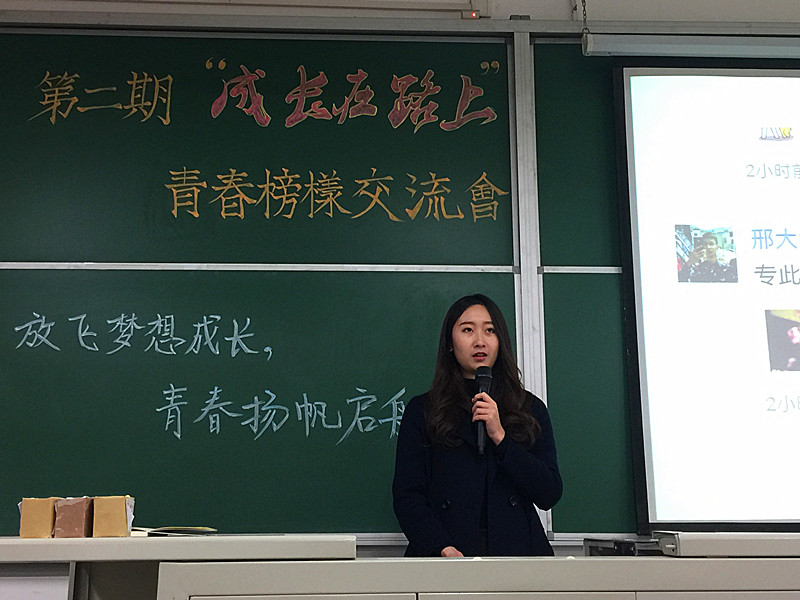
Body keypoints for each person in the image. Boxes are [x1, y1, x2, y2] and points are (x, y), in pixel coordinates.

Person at [392, 294, 562, 557]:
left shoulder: (529, 408)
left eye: (490, 330)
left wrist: (501, 438)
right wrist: (440, 547)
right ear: (450, 343)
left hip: (518, 556)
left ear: (500, 340)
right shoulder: (424, 410)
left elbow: (549, 492)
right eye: (468, 330)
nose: (480, 341)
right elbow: (408, 496)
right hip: (445, 557)